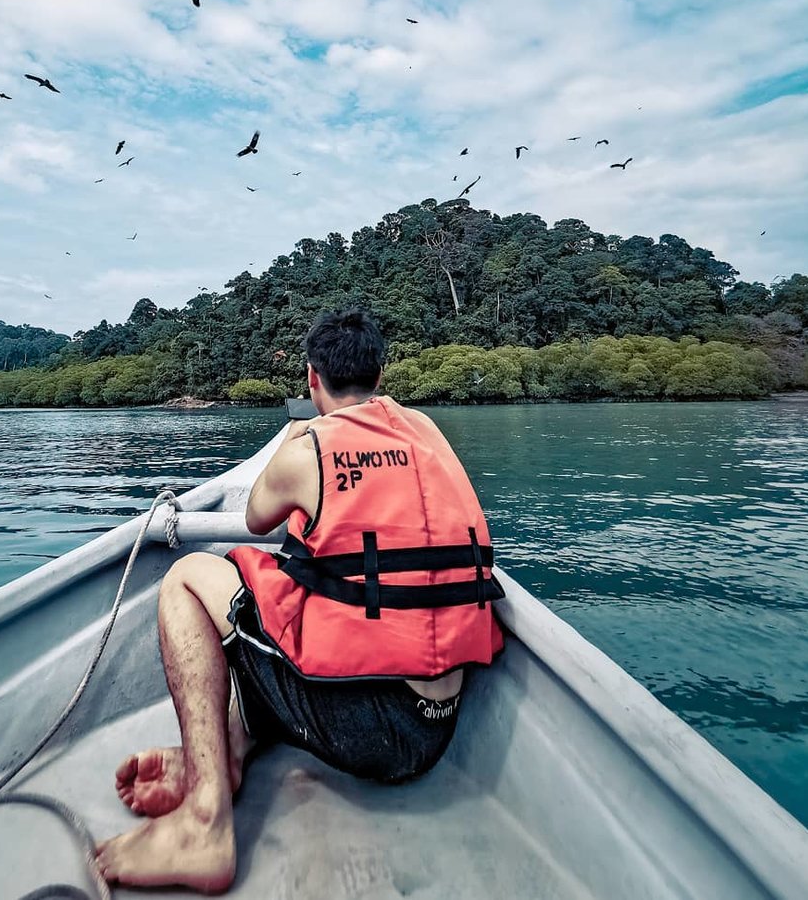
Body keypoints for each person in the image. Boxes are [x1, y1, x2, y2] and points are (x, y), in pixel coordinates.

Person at [95, 308, 505, 892]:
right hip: (433, 730)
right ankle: (226, 750)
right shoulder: (427, 431)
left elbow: (260, 518)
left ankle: (204, 823)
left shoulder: (305, 449)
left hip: (368, 728)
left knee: (189, 579)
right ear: (380, 377)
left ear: (313, 379)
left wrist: (299, 433)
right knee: (297, 609)